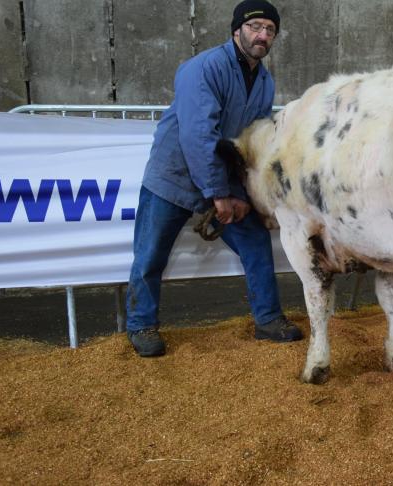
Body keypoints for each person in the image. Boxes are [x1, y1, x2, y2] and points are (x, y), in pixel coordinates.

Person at [125, 0, 303, 357]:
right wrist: (219, 193)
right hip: (173, 176)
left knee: (255, 242)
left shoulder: (264, 82)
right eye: (255, 27)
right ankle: (141, 324)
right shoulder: (204, 68)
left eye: (270, 30)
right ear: (236, 30)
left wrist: (240, 193)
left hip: (218, 177)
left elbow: (248, 141)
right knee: (150, 254)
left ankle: (268, 319)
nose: (262, 35)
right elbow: (197, 135)